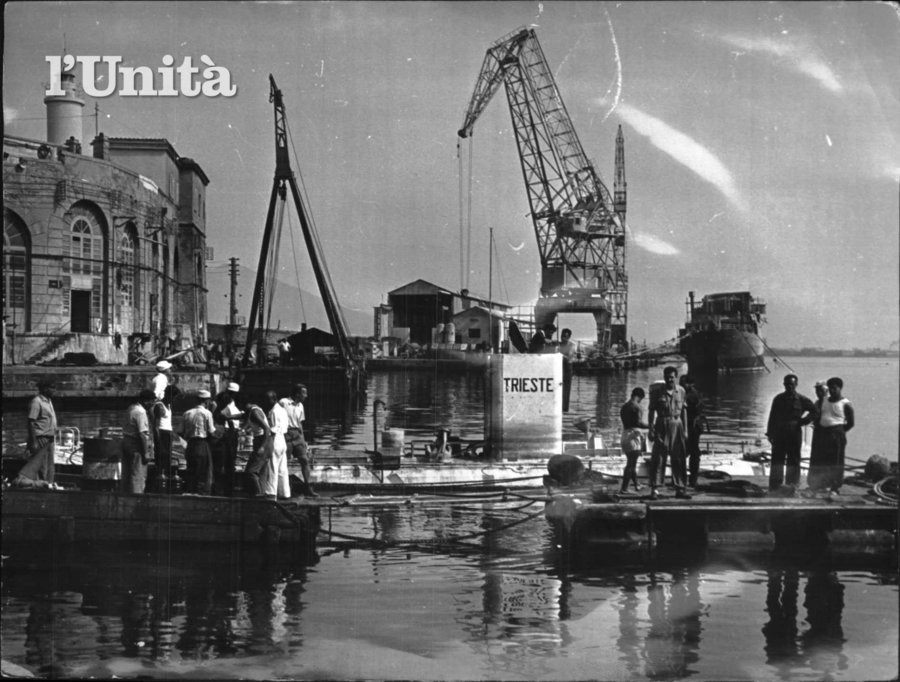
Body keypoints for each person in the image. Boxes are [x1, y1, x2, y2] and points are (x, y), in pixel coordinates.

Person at [765, 374, 816, 493]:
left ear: (796, 385)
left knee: (793, 459)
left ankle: (792, 485)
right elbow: (772, 416)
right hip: (779, 432)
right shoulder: (778, 399)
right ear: (783, 384)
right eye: (787, 384)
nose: (789, 386)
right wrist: (770, 433)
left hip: (794, 432)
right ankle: (775, 485)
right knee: (777, 459)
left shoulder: (802, 399)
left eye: (792, 384)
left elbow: (814, 411)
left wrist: (804, 421)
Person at [647, 366, 690, 500]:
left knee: (678, 458)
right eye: (667, 376)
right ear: (664, 377)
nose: (669, 379)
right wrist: (651, 428)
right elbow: (651, 411)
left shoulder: (681, 391)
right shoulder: (657, 392)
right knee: (658, 458)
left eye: (672, 377)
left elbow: (684, 411)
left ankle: (680, 488)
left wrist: (686, 430)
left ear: (675, 377)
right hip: (662, 424)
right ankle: (655, 489)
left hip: (678, 425)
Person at [808, 377, 854, 496]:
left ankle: (835, 487)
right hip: (824, 434)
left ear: (840, 388)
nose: (832, 391)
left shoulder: (845, 404)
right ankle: (821, 485)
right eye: (831, 388)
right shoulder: (824, 401)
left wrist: (839, 431)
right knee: (823, 460)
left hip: (837, 434)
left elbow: (851, 423)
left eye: (835, 388)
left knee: (836, 461)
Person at [14, 379, 58, 488]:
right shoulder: (36, 402)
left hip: (50, 438)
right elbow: (31, 422)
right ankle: (40, 486)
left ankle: (49, 484)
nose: (54, 390)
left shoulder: (48, 401)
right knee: (41, 465)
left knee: (49, 465)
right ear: (44, 389)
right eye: (51, 387)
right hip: (40, 437)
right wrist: (33, 441)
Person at [279, 383, 317, 496]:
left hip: (297, 434)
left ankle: (308, 487)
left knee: (304, 460)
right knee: (284, 461)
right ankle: (283, 488)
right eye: (304, 393)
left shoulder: (300, 406)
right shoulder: (283, 402)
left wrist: (303, 440)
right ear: (297, 394)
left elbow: (300, 423)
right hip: (286, 434)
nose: (306, 396)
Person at [181, 389, 215, 494]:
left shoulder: (187, 413)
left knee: (191, 470)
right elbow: (211, 431)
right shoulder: (207, 413)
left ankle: (191, 491)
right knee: (202, 471)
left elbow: (182, 432)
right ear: (207, 401)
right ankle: (201, 493)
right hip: (202, 443)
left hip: (190, 444)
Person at [212, 382, 244, 496]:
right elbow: (219, 417)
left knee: (230, 462)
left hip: (232, 433)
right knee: (224, 462)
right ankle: (222, 489)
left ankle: (228, 489)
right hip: (226, 434)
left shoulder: (232, 403)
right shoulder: (222, 404)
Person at [121, 389, 156, 494]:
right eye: (152, 402)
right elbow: (143, 434)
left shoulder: (131, 408)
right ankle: (137, 498)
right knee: (138, 475)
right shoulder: (141, 412)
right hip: (136, 445)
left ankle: (125, 496)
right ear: (146, 401)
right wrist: (147, 453)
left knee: (127, 474)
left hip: (126, 441)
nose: (152, 405)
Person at [151, 384, 180, 493]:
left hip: (168, 434)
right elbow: (156, 426)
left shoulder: (168, 406)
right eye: (174, 397)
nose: (174, 400)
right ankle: (160, 482)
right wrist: (158, 442)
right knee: (161, 458)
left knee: (168, 459)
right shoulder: (159, 406)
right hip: (162, 434)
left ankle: (166, 481)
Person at [619, 387, 649, 493]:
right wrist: (651, 426)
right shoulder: (637, 407)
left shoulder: (624, 407)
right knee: (631, 464)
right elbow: (639, 423)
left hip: (625, 435)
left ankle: (637, 484)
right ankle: (624, 488)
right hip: (633, 436)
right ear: (640, 397)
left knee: (631, 463)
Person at [243, 397, 274, 496]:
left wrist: (262, 447)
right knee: (262, 471)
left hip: (263, 441)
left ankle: (256, 494)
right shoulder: (254, 410)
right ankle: (262, 493)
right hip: (265, 442)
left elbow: (267, 429)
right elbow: (241, 416)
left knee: (251, 471)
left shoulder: (254, 413)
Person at [264, 390, 291, 499]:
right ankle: (285, 493)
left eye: (267, 399)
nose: (266, 401)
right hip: (282, 440)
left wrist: (267, 445)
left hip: (275, 440)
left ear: (274, 399)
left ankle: (271, 493)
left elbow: (273, 430)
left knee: (272, 468)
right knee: (282, 469)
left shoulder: (273, 412)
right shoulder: (283, 410)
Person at [680, 375, 706, 487]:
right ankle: (690, 478)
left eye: (684, 383)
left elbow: (693, 411)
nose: (682, 385)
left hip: (693, 426)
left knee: (691, 452)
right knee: (688, 452)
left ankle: (690, 478)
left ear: (691, 384)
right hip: (691, 426)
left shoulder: (691, 395)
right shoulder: (693, 394)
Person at [806, 380, 829, 492]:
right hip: (817, 434)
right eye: (817, 390)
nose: (818, 392)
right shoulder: (816, 403)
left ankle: (825, 484)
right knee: (815, 458)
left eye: (820, 390)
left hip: (827, 435)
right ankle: (814, 484)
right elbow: (811, 416)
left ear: (826, 391)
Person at [559, 328, 576, 412]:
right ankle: (558, 407)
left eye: (566, 336)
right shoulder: (559, 345)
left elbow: (569, 357)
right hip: (559, 367)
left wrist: (558, 354)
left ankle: (565, 409)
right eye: (562, 336)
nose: (563, 338)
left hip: (567, 368)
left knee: (566, 389)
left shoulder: (572, 345)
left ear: (569, 337)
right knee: (558, 389)